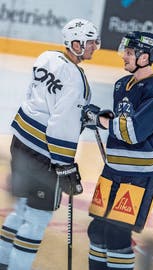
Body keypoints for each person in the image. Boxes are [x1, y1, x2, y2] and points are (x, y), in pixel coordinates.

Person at [0, 18, 101, 270]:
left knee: (22, 207)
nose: (94, 47)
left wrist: (81, 112)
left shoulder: (47, 57)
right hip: (44, 153)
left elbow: (45, 100)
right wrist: (64, 165)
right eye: (89, 42)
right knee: (37, 218)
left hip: (20, 142)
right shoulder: (77, 80)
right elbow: (60, 125)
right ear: (75, 43)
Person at [82, 31, 153, 270]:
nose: (124, 56)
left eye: (130, 52)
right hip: (113, 170)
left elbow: (133, 132)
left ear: (145, 57)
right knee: (97, 231)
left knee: (117, 236)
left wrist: (100, 121)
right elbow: (121, 122)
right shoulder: (121, 85)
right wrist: (104, 117)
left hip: (140, 176)